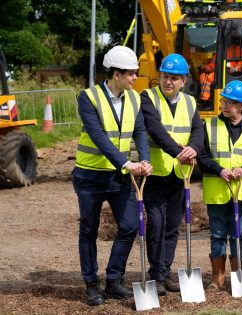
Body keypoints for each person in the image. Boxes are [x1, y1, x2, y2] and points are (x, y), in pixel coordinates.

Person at [72, 45, 152, 306]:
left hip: (119, 178)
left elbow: (140, 130)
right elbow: (98, 136)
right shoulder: (89, 97)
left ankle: (114, 280)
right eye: (130, 74)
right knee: (89, 230)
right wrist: (125, 163)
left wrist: (145, 159)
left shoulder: (135, 98)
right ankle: (91, 284)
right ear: (116, 74)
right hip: (90, 176)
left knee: (129, 226)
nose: (134, 79)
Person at [140, 53, 204, 295]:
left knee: (172, 226)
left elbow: (198, 130)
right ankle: (155, 273)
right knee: (156, 222)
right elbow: (155, 129)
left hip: (179, 174)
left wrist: (194, 148)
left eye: (174, 78)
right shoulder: (148, 97)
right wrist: (178, 152)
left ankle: (165, 272)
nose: (168, 82)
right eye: (165, 77)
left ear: (184, 80)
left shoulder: (190, 102)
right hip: (155, 172)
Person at [197, 80, 242, 290]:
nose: (225, 106)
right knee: (217, 234)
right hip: (216, 191)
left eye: (231, 102)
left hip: (241, 191)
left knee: (239, 234)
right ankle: (217, 276)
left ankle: (238, 276)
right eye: (224, 101)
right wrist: (219, 170)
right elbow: (202, 156)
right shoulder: (209, 126)